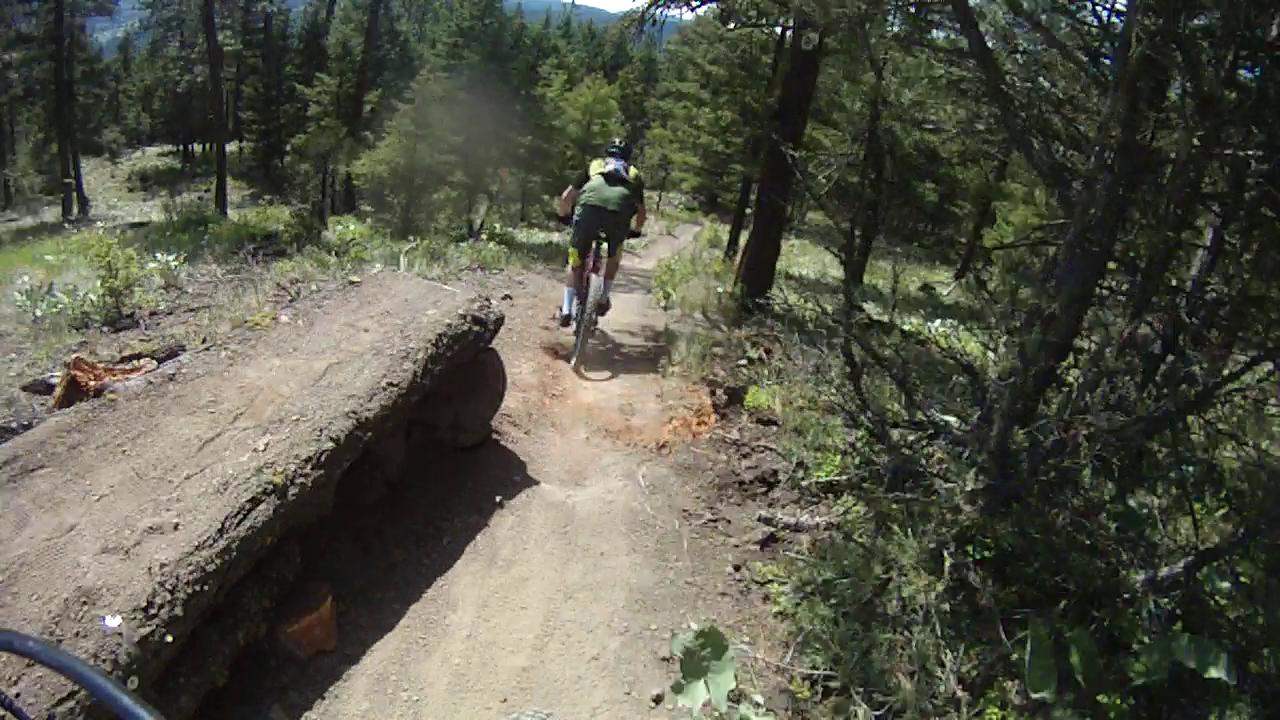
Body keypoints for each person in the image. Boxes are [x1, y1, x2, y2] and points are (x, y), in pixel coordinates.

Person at [557, 138, 646, 327]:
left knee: (575, 259)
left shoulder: (595, 166)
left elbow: (567, 196)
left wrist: (564, 215)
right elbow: (641, 210)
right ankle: (604, 296)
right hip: (617, 218)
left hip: (588, 213)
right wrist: (636, 230)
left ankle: (566, 309)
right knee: (614, 255)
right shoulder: (633, 174)